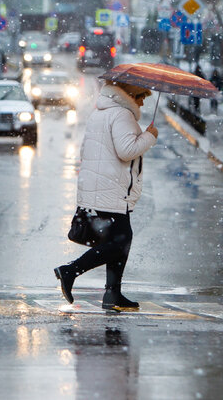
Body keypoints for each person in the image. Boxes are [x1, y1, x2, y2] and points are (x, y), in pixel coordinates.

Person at [54, 80, 158, 311]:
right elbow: (127, 151)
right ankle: (70, 271)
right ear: (131, 94)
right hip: (111, 189)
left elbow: (86, 150)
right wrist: (149, 136)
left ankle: (113, 294)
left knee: (119, 239)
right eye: (141, 97)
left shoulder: (101, 113)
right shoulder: (122, 115)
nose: (142, 102)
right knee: (120, 241)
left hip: (100, 186)